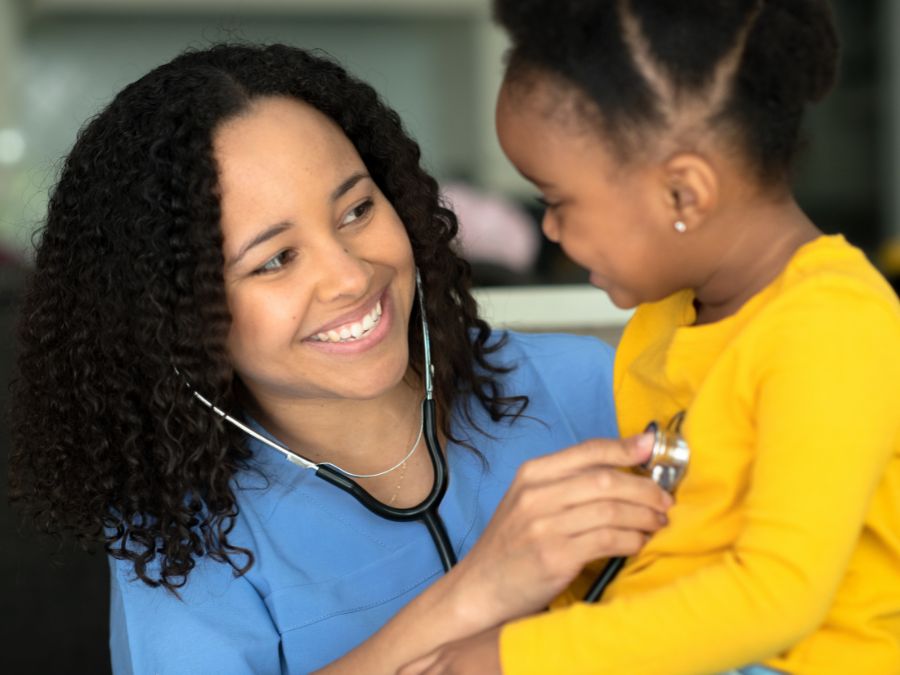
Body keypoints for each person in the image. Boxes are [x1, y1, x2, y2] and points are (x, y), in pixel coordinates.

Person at [7, 43, 674, 674]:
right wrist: (474, 595)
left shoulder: (587, 386)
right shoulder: (182, 534)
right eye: (274, 259)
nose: (351, 276)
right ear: (176, 318)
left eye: (356, 210)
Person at [402, 1, 900, 674]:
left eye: (557, 201)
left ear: (683, 195)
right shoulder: (666, 319)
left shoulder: (834, 326)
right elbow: (669, 550)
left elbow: (776, 595)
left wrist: (518, 655)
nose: (548, 231)